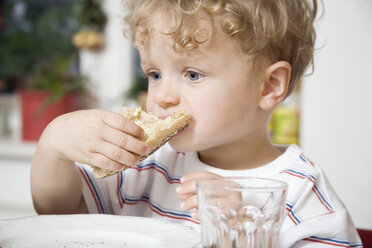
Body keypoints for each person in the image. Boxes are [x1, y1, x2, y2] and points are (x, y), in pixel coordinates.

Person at [31, 0, 362, 247]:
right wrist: (53, 145)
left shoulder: (302, 196)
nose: (162, 96)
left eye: (192, 74)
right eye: (154, 74)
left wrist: (241, 232)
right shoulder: (146, 166)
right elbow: (59, 211)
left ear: (269, 86)